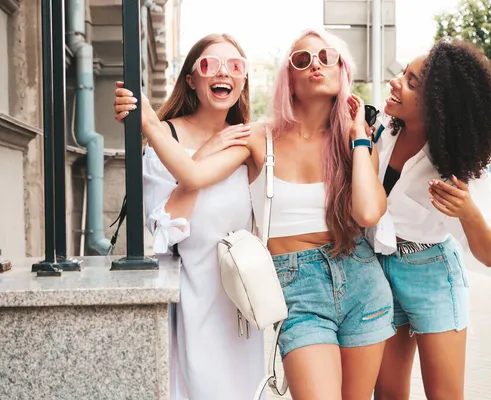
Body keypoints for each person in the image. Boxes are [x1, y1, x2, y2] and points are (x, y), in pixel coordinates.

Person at [119, 29, 396, 400]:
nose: (316, 64)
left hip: (361, 279)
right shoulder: (257, 136)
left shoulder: (355, 143)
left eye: (327, 57)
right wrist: (151, 124)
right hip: (297, 284)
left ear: (343, 71)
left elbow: (366, 212)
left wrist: (360, 135)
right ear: (289, 81)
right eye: (303, 59)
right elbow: (194, 177)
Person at [113, 33, 263, 400]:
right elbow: (165, 230)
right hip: (187, 297)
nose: (222, 73)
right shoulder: (167, 136)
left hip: (240, 302)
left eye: (235, 66)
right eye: (209, 65)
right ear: (192, 79)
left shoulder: (249, 139)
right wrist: (201, 157)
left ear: (243, 81)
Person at [370, 39, 491, 400]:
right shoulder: (382, 133)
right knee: (387, 393)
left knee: (444, 395)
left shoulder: (456, 164)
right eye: (403, 73)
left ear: (438, 103)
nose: (396, 81)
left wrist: (466, 212)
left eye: (412, 81)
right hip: (375, 271)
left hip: (430, 274)